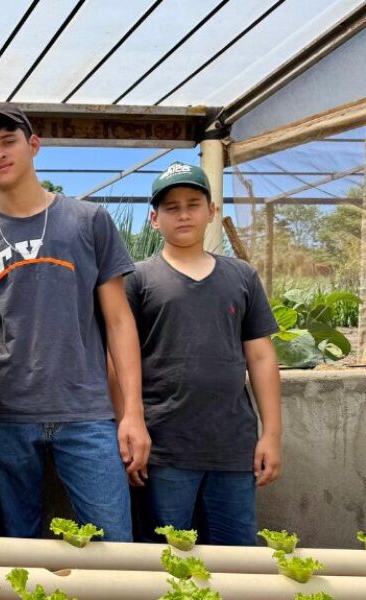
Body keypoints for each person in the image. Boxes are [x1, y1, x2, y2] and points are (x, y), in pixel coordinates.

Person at [0, 103, 150, 541]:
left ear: (33, 145)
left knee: (113, 545)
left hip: (86, 413)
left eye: (9, 141)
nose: (0, 153)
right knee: (18, 547)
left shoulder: (89, 221)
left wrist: (133, 415)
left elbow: (120, 323)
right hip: (6, 415)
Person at [123, 162, 281, 545]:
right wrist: (130, 427)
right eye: (171, 207)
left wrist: (272, 433)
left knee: (237, 554)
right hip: (163, 447)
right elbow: (119, 360)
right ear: (154, 219)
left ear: (212, 211)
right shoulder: (137, 278)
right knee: (167, 555)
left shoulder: (241, 276)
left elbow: (261, 357)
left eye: (193, 203)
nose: (183, 214)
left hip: (232, 446)